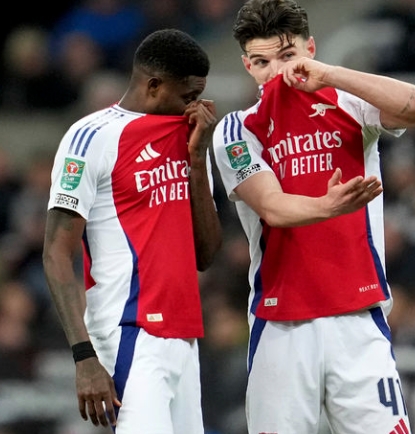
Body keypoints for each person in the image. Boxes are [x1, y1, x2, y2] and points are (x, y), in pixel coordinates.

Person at [212, 0, 415, 433]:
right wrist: (329, 206)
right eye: (262, 62)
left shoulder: (350, 103)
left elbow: (412, 105)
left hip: (359, 319)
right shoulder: (237, 129)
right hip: (281, 325)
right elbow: (271, 206)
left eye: (288, 56)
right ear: (247, 66)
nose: (277, 71)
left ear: (311, 49)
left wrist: (332, 74)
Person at [42, 28, 222, 433]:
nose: (196, 105)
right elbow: (55, 252)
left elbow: (206, 254)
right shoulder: (92, 137)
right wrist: (84, 356)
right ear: (154, 85)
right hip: (128, 329)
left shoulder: (190, 136)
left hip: (185, 333)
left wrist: (197, 160)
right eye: (188, 95)